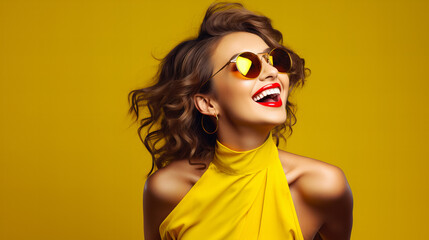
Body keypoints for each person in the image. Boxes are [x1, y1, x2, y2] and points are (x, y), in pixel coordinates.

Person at [129, 2, 353, 240]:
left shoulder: (323, 186)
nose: (271, 72)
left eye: (274, 60)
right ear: (207, 103)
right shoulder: (166, 189)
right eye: (246, 65)